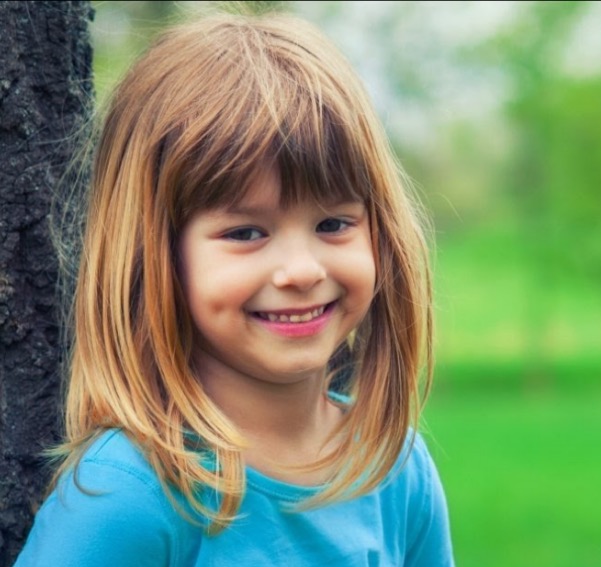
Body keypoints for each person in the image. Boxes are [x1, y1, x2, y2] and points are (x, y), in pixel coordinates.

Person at [14, 9, 453, 567]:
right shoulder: (129, 496)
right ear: (157, 256)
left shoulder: (395, 468)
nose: (301, 270)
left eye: (333, 224)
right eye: (246, 232)